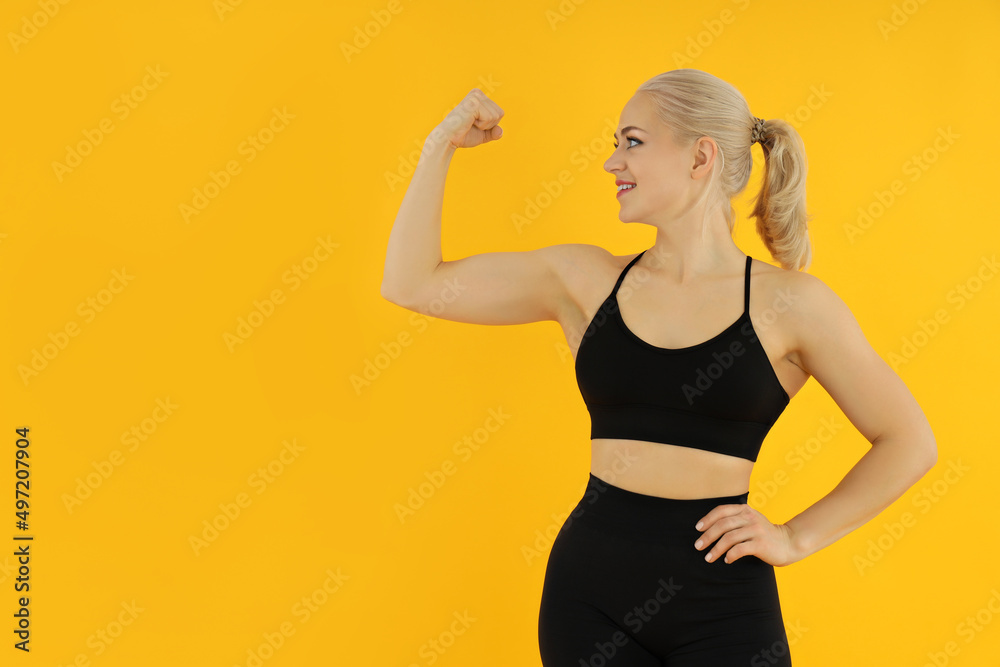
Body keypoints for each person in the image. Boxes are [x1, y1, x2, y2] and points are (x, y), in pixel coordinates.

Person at [381, 69, 937, 666]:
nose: (612, 163)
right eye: (615, 144)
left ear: (700, 157)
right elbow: (412, 284)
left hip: (723, 604)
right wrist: (439, 146)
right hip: (588, 596)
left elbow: (908, 441)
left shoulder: (791, 303)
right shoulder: (584, 281)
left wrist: (796, 536)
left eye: (632, 142)